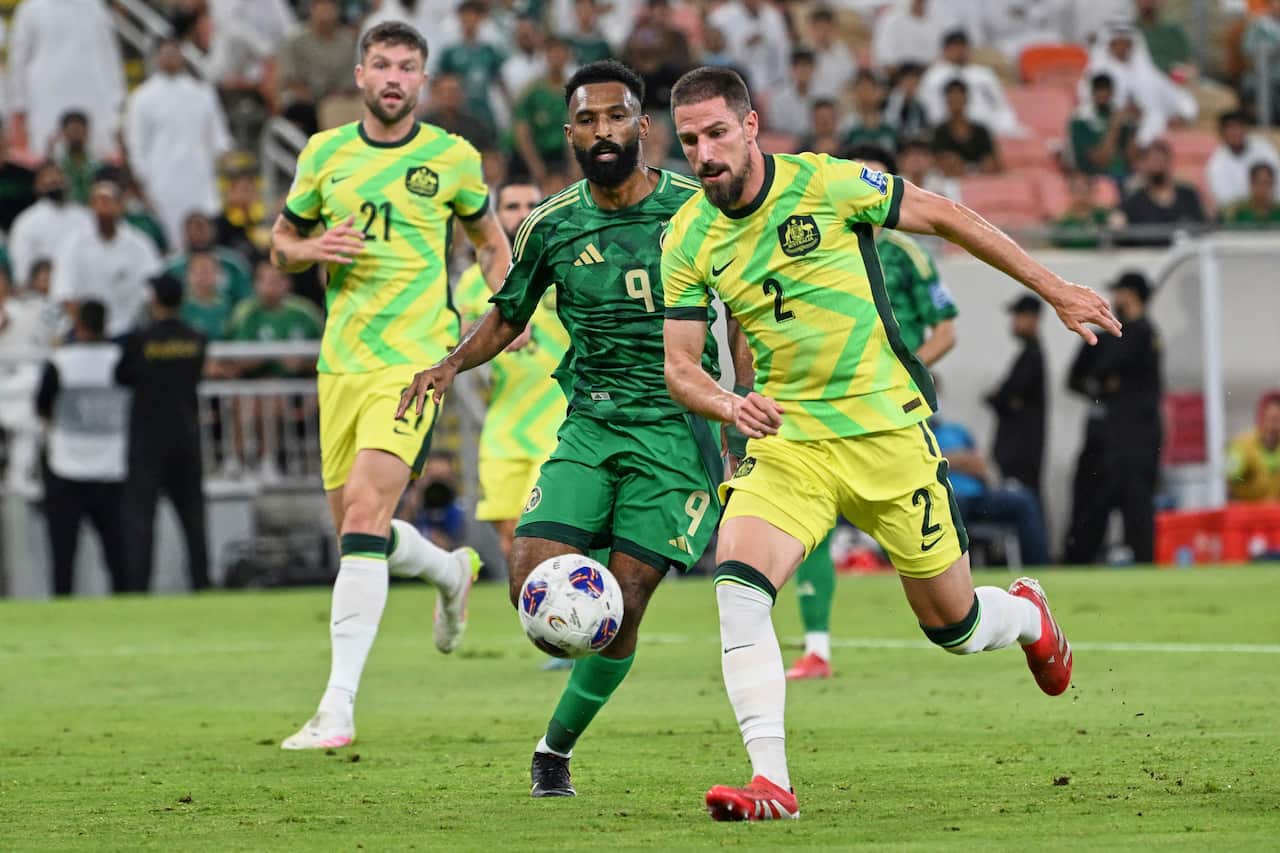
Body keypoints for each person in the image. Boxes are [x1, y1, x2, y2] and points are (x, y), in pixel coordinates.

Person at [661, 66, 1118, 820]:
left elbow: (946, 216)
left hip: (887, 433)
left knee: (956, 627)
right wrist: (729, 403)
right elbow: (680, 365)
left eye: (716, 133)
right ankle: (772, 782)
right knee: (738, 586)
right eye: (689, 141)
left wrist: (1056, 288)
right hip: (791, 441)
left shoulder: (827, 183)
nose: (704, 153)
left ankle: (1027, 615)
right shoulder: (687, 235)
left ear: (749, 127)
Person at [398, 60, 742, 799]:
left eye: (616, 117)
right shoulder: (551, 224)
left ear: (643, 126)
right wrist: (449, 364)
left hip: (675, 432)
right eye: (588, 120)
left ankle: (554, 750)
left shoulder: (696, 208)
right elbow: (509, 314)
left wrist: (747, 403)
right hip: (591, 424)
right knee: (530, 581)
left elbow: (742, 304)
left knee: (625, 603)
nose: (603, 131)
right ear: (569, 133)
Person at [269, 22, 510, 751]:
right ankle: (448, 571)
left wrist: (505, 306)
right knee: (357, 529)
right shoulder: (323, 153)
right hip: (340, 363)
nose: (395, 77)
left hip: (413, 362)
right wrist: (312, 247)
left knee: (367, 512)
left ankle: (336, 707)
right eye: (382, 65)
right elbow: (281, 244)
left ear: (422, 79)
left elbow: (490, 241)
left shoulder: (452, 158)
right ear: (361, 75)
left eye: (408, 66)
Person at [786, 142, 959, 682]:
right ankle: (817, 647)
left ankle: (967, 609)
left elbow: (946, 330)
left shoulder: (908, 254)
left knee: (924, 556)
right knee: (811, 526)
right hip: (822, 408)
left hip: (893, 408)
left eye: (879, 182)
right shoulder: (814, 241)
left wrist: (904, 368)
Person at [451, 181, 569, 559]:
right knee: (510, 538)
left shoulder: (566, 268)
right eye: (512, 206)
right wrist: (499, 326)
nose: (522, 214)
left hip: (559, 420)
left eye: (531, 205)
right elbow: (457, 342)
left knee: (544, 532)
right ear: (497, 216)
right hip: (504, 425)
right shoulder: (472, 282)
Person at [115, 274, 210, 592]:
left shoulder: (140, 340)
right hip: (185, 435)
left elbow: (121, 375)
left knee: (140, 519)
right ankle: (201, 582)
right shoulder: (196, 338)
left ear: (154, 299)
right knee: (193, 518)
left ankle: (138, 587)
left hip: (147, 439)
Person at [1062, 272, 1163, 565]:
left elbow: (1109, 366)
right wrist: (1101, 385)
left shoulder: (1145, 335)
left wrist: (1102, 378)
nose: (1113, 299)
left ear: (1130, 295)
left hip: (1136, 442)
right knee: (1090, 506)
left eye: (1118, 292)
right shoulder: (1106, 337)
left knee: (1137, 508)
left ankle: (1142, 564)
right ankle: (1080, 562)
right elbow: (1077, 378)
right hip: (1103, 440)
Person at [35, 301, 129, 595]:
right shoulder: (121, 360)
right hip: (112, 468)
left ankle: (63, 610)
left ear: (79, 326)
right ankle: (127, 609)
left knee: (63, 557)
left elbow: (42, 406)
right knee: (118, 557)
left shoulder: (60, 361)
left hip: (66, 467)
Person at [126, 36, 233, 249]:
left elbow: (218, 139)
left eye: (175, 53)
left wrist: (223, 165)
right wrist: (143, 180)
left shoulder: (202, 93)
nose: (171, 58)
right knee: (169, 233)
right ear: (156, 57)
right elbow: (136, 144)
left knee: (203, 230)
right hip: (162, 179)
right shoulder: (142, 97)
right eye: (165, 53)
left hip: (199, 176)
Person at [51, 170, 164, 339]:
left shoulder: (139, 244)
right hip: (85, 332)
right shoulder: (73, 245)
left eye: (107, 201)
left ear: (120, 206)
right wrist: (86, 330)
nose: (102, 207)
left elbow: (153, 288)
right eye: (97, 202)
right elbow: (64, 291)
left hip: (129, 329)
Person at [7, 0, 125, 158]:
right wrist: (19, 102)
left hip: (90, 89)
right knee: (49, 150)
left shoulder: (94, 7)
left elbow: (109, 55)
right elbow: (19, 59)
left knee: (95, 152)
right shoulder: (30, 9)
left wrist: (117, 95)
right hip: (46, 93)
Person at [931, 410, 1049, 566]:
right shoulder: (917, 435)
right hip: (947, 498)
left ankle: (1039, 568)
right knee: (953, 510)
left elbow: (980, 464)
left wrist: (946, 459)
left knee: (1024, 501)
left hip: (979, 496)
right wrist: (959, 459)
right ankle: (959, 568)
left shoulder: (956, 430)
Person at [986, 295, 1047, 504]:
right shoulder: (1028, 354)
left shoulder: (1032, 357)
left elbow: (1005, 395)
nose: (1014, 323)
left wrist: (1000, 398)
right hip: (1017, 451)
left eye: (1019, 317)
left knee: (1023, 502)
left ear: (1032, 319)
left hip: (1020, 453)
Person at [919, 29, 1022, 138]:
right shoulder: (934, 77)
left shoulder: (984, 74)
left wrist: (1006, 127)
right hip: (946, 132)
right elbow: (928, 109)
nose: (959, 51)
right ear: (945, 50)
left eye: (962, 47)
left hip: (985, 131)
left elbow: (1001, 106)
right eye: (955, 47)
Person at [8, 162, 92, 287]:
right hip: (42, 290)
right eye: (49, 179)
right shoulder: (26, 221)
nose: (55, 181)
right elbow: (21, 267)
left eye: (59, 177)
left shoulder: (85, 216)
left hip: (82, 285)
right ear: (37, 186)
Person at [1115, 140, 1207, 247]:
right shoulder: (1132, 203)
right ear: (1143, 165)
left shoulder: (1188, 196)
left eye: (1160, 160)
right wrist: (1118, 225)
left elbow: (1204, 228)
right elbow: (1119, 234)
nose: (1157, 166)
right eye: (1152, 161)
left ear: (1169, 163)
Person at [1068, 72, 1138, 185]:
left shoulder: (1119, 117)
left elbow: (1133, 158)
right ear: (1092, 92)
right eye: (1098, 89)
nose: (1102, 94)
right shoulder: (1081, 120)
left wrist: (1133, 126)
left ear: (1112, 92)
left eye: (1106, 90)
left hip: (1124, 177)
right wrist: (1115, 126)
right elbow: (1100, 159)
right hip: (1094, 179)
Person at [1206, 110, 1280, 209]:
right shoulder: (1216, 164)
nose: (1236, 132)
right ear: (1222, 133)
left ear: (1246, 128)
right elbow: (1226, 201)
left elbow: (1277, 180)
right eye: (1230, 129)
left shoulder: (1264, 148)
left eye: (1239, 127)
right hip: (1239, 214)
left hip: (1272, 208)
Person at [932, 79, 1000, 176]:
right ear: (947, 101)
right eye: (953, 99)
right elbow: (936, 161)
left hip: (980, 179)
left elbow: (993, 161)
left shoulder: (981, 131)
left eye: (959, 99)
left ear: (966, 100)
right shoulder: (939, 132)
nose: (956, 103)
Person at [1227, 391, 1280, 502]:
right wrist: (1242, 478)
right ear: (1261, 419)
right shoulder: (1242, 445)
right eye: (1271, 419)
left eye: (1277, 420)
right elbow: (1232, 479)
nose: (1273, 426)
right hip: (1250, 510)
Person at [1051, 171, 1112, 249]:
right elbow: (1055, 247)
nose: (1081, 195)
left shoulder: (1101, 216)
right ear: (1070, 193)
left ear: (1092, 192)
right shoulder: (1063, 221)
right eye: (1077, 190)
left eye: (1085, 190)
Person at [1222, 162, 1280, 227]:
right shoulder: (1237, 212)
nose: (1264, 188)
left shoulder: (1278, 211)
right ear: (1251, 183)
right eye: (1261, 183)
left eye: (1268, 183)